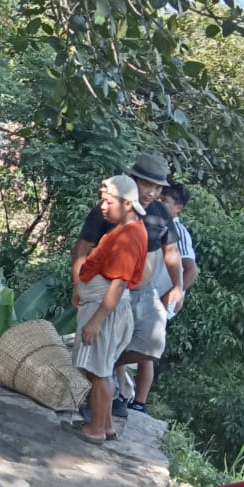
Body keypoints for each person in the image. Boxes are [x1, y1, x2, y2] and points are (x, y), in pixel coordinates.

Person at [71, 152, 183, 416]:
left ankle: (106, 380)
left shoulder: (159, 213)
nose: (152, 192)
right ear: (134, 180)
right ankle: (98, 407)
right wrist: (77, 285)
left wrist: (178, 285)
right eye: (146, 185)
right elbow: (81, 248)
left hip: (143, 293)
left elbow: (171, 251)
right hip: (111, 291)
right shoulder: (109, 210)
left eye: (158, 187)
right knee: (101, 351)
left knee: (150, 347)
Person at [70, 175, 147, 444]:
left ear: (127, 204)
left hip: (106, 311)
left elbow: (119, 283)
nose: (102, 207)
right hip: (103, 307)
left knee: (98, 371)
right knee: (102, 367)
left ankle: (96, 430)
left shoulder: (130, 236)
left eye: (108, 202)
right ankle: (107, 425)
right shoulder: (127, 229)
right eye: (102, 201)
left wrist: (96, 321)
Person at [160, 182, 199, 294]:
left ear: (178, 208)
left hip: (161, 300)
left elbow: (191, 270)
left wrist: (169, 298)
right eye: (158, 199)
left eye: (164, 201)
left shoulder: (178, 231)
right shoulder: (158, 225)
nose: (158, 203)